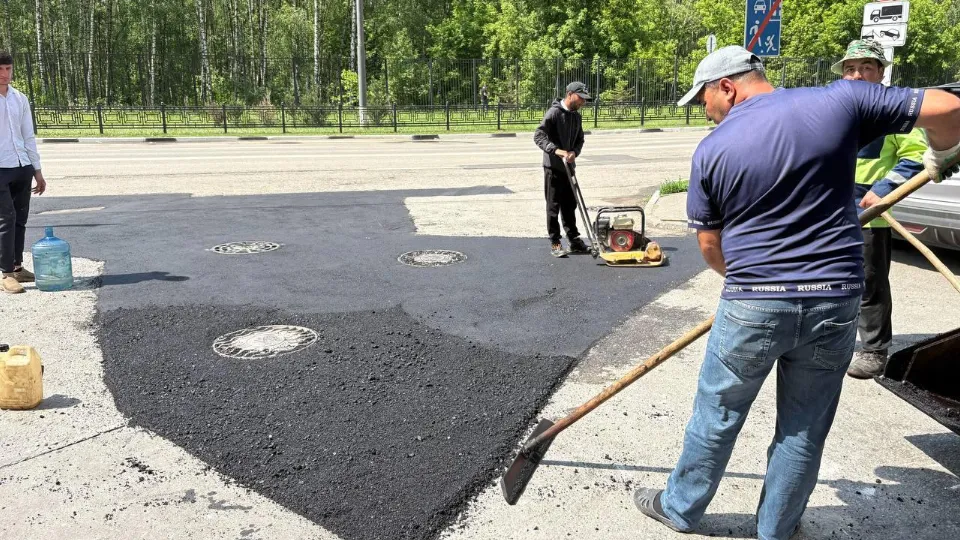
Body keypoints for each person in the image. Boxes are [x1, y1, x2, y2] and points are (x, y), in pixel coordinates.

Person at [632, 46, 960, 540]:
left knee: (718, 414)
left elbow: (708, 245)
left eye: (703, 99)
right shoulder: (841, 101)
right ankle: (777, 530)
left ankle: (680, 508)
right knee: (804, 426)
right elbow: (951, 109)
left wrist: (751, 285)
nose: (705, 110)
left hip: (754, 300)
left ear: (728, 86)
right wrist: (941, 152)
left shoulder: (712, 150)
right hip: (834, 298)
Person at [832, 39, 926, 379]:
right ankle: (834, 339)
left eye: (865, 68)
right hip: (830, 213)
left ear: (880, 74)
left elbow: (916, 156)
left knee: (868, 282)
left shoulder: (893, 112)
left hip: (870, 213)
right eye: (850, 69)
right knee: (828, 278)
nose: (856, 75)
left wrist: (882, 190)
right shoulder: (835, 109)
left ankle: (874, 350)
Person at [0, 51, 45, 295]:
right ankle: (6, 274)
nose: (5, 74)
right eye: (0, 70)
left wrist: (37, 171)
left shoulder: (20, 99)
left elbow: (28, 136)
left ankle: (17, 267)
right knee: (5, 219)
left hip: (22, 167)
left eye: (8, 69)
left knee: (20, 218)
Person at [534, 81, 591, 258]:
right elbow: (539, 136)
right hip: (553, 167)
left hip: (569, 167)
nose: (583, 102)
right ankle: (556, 242)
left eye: (584, 99)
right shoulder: (554, 113)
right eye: (580, 98)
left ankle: (574, 240)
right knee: (553, 206)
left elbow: (580, 140)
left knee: (570, 205)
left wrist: (574, 152)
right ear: (569, 94)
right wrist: (555, 150)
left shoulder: (576, 116)